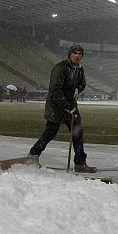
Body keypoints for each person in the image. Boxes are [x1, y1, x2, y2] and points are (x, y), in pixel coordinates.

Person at [29, 44, 97, 173]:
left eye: (80, 54)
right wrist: (67, 105)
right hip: (56, 107)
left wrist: (78, 89)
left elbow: (82, 83)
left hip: (71, 106)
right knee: (49, 134)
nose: (77, 56)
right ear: (69, 54)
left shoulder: (80, 69)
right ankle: (32, 156)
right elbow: (55, 91)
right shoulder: (60, 68)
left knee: (78, 133)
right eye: (75, 53)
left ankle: (80, 163)